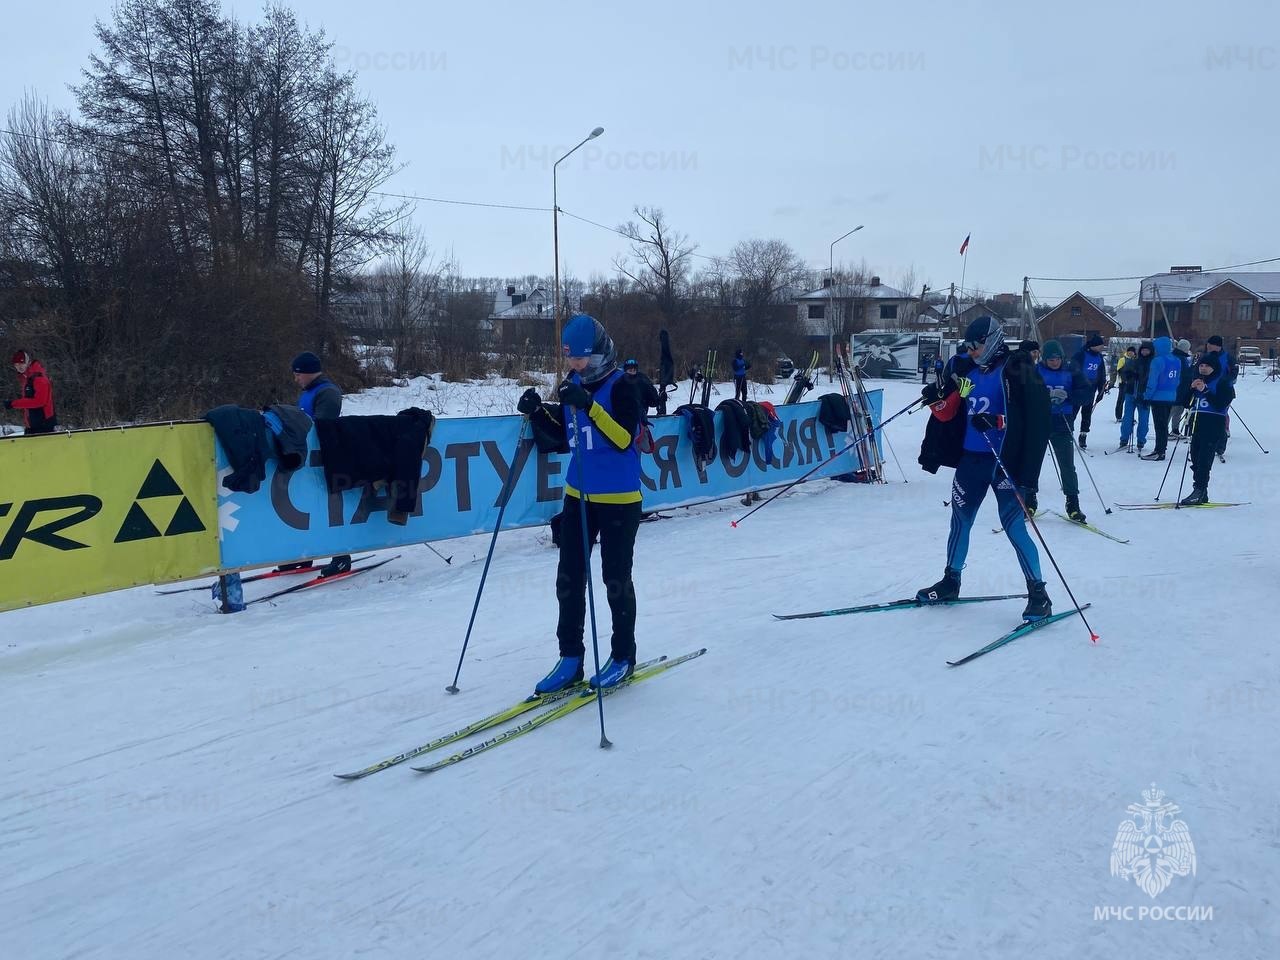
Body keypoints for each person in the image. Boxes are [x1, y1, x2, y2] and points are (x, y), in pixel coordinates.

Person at [517, 314, 644, 692]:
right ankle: (570, 658)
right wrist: (539, 412)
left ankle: (623, 656)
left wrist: (589, 406)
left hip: (619, 498)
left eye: (581, 358)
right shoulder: (573, 383)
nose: (575, 364)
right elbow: (566, 437)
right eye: (570, 357)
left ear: (600, 352)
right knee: (569, 578)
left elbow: (623, 438)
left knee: (615, 579)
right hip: (578, 495)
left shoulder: (624, 386)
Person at [916, 316, 1052, 621]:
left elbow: (1037, 418)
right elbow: (951, 402)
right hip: (971, 459)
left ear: (991, 339)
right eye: (968, 346)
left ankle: (1039, 594)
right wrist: (935, 394)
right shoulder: (966, 368)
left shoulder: (1017, 369)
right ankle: (951, 580)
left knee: (1014, 526)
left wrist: (998, 422)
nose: (972, 351)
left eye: (976, 345)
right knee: (960, 521)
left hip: (1005, 462)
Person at [286, 351, 349, 577]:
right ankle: (305, 555)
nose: (296, 379)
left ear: (308, 373)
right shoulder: (308, 392)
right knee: (308, 508)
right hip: (308, 460)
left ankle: (341, 556)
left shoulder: (328, 393)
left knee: (327, 510)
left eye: (298, 374)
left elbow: (323, 427)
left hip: (325, 459)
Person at [1036, 340, 1090, 521]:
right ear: (1044, 359)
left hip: (1062, 423)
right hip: (1040, 422)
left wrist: (1069, 397)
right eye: (1050, 359)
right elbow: (1025, 393)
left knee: (1067, 465)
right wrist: (1043, 397)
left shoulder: (1071, 370)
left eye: (1057, 358)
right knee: (1032, 463)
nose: (1054, 362)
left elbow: (1086, 393)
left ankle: (1072, 503)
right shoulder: (1036, 371)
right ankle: (1029, 500)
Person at [1180, 351, 1234, 505]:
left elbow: (1221, 403)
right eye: (1201, 365)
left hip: (1213, 424)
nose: (1203, 368)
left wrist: (1205, 390)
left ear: (1214, 367)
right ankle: (1200, 491)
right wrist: (1191, 389)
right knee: (1195, 459)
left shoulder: (1222, 382)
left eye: (1207, 366)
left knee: (1204, 460)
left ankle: (1199, 490)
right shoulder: (1197, 380)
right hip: (1197, 424)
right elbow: (1185, 403)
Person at [1139, 337, 1180, 461]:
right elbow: (1178, 380)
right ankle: (1162, 449)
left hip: (1158, 397)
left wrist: (1146, 396)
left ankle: (1159, 451)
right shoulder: (1177, 360)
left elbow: (1153, 381)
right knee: (1164, 425)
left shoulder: (1157, 361)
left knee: (1159, 425)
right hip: (1171, 396)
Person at [5, 349, 58, 435]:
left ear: (28, 362)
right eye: (16, 364)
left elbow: (39, 401)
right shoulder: (27, 378)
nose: (19, 366)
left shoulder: (38, 378)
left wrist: (13, 403)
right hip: (33, 426)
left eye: (22, 363)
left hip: (44, 426)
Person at [1071, 335, 1107, 448]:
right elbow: (1072, 370)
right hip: (1078, 389)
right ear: (1094, 345)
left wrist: (1101, 389)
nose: (1102, 347)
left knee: (1087, 414)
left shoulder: (1100, 357)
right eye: (1100, 345)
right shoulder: (1080, 355)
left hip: (1091, 390)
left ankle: (1083, 435)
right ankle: (1067, 434)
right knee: (1072, 413)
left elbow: (1101, 374)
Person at [1118, 340, 1154, 453]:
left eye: (1147, 350)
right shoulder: (1134, 361)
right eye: (1143, 350)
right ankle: (1124, 439)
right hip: (1131, 392)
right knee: (1127, 417)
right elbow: (1123, 373)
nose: (1144, 352)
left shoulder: (1153, 363)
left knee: (1143, 419)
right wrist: (1130, 376)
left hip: (1144, 395)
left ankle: (1141, 440)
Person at [1169, 339, 1194, 438]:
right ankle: (1169, 430)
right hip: (1179, 388)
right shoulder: (1181, 359)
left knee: (1177, 410)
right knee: (1174, 410)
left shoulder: (1179, 357)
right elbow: (1185, 374)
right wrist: (1192, 369)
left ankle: (1175, 429)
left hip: (1179, 388)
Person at [1110, 346, 1132, 421]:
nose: (1131, 353)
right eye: (1130, 351)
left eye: (1132, 352)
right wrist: (1124, 379)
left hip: (1131, 384)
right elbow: (1119, 370)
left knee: (1130, 401)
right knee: (1121, 400)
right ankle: (1118, 416)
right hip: (1123, 383)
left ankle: (1129, 417)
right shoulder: (1122, 359)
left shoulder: (1134, 360)